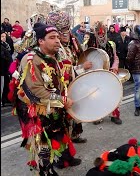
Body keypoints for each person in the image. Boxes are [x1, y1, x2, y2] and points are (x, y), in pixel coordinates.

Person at [16, 23, 81, 175]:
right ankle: (45, 172)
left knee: (59, 136)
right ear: (40, 41)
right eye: (52, 37)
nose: (58, 40)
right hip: (38, 112)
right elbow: (36, 90)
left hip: (54, 106)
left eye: (58, 37)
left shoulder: (56, 56)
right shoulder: (31, 60)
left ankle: (61, 161)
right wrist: (62, 100)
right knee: (43, 148)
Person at [46, 10, 90, 143]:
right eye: (62, 31)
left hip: (73, 84)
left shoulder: (71, 45)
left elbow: (75, 61)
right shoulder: (55, 50)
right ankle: (64, 144)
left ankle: (74, 135)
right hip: (60, 89)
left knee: (74, 110)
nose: (66, 34)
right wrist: (82, 68)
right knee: (63, 116)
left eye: (67, 30)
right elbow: (62, 70)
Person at [92, 21, 123, 125]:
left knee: (113, 95)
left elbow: (116, 58)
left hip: (109, 74)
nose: (101, 36)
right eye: (99, 34)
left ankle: (114, 115)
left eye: (103, 33)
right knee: (98, 96)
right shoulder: (91, 45)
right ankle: (98, 116)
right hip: (97, 75)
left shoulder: (111, 44)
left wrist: (114, 67)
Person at [1, 30, 12, 107]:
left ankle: (4, 99)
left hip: (5, 69)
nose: (4, 38)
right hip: (2, 68)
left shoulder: (6, 45)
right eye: (2, 36)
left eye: (4, 36)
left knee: (5, 84)